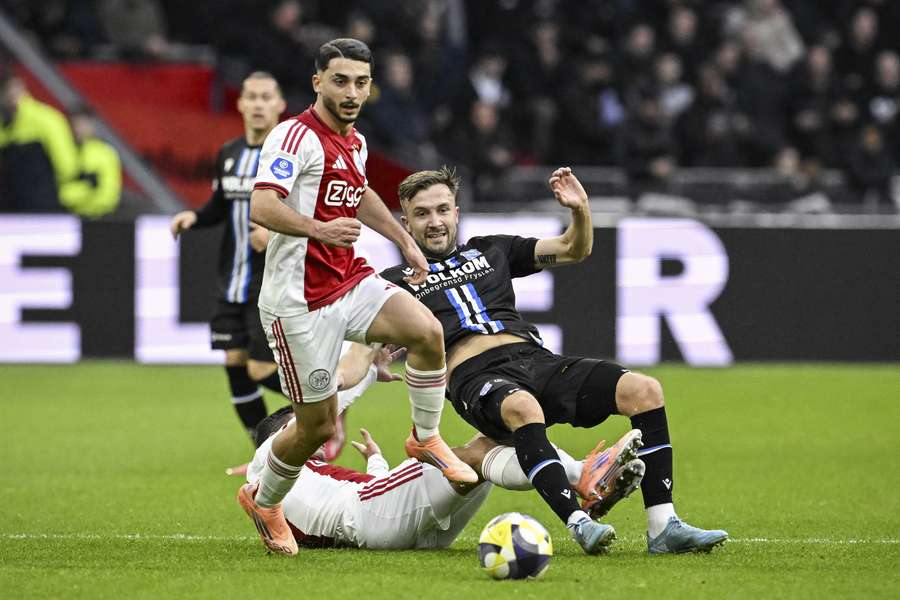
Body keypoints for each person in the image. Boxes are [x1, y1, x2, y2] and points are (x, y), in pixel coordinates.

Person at [380, 166, 728, 555]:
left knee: (645, 390)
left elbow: (572, 249)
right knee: (524, 408)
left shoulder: (492, 249)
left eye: (443, 210)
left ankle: (663, 527)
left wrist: (580, 210)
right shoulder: (392, 283)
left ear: (457, 213)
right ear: (405, 222)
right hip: (476, 377)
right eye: (423, 213)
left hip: (535, 360)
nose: (435, 222)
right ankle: (578, 522)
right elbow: (363, 342)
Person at [240, 38, 476, 557]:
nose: (351, 92)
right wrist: (319, 230)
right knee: (317, 427)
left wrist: (404, 238)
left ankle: (425, 437)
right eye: (341, 80)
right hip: (297, 302)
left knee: (426, 332)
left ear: (371, 87)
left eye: (361, 82)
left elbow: (361, 189)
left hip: (348, 282)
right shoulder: (293, 136)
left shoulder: (356, 141)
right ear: (317, 82)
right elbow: (262, 206)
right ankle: (266, 499)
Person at [169, 72, 359, 468]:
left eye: (265, 97)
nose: (257, 104)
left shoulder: (289, 152)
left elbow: (312, 208)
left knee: (258, 367)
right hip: (231, 280)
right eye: (250, 96)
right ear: (240, 104)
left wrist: (272, 235)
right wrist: (195, 217)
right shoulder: (229, 153)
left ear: (278, 105)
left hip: (271, 281)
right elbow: (221, 204)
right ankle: (264, 455)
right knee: (235, 366)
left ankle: (325, 410)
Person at [245, 402, 645, 551]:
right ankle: (581, 477)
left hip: (384, 525)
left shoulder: (296, 479)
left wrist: (376, 461)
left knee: (478, 468)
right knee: (479, 448)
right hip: (370, 514)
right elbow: (311, 418)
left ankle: (586, 486)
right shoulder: (267, 456)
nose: (316, 434)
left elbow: (346, 496)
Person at [0, 70, 78, 212]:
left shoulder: (47, 119)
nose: (11, 95)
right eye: (7, 91)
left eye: (14, 89)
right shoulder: (5, 123)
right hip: (11, 204)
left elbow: (66, 166)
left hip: (41, 202)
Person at [59, 108, 121, 218]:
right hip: (76, 214)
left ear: (92, 125)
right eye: (74, 124)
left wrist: (61, 197)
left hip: (96, 215)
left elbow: (95, 186)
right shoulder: (68, 149)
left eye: (82, 124)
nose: (77, 128)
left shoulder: (101, 152)